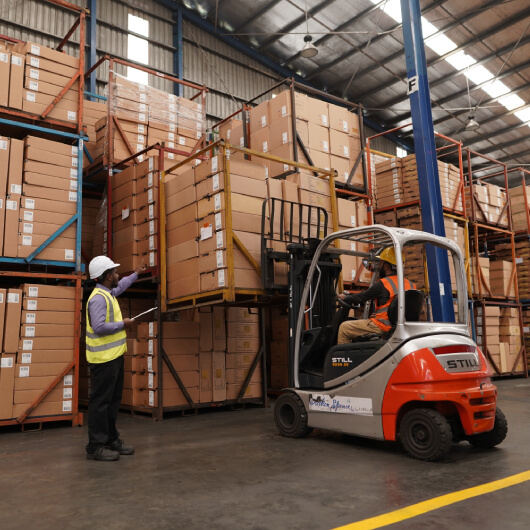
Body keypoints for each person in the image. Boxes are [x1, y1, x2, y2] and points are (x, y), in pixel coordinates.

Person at [85, 256, 147, 461]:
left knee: (112, 402)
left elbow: (122, 287)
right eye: (115, 272)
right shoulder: (97, 299)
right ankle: (95, 445)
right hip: (103, 360)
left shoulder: (109, 293)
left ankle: (111, 438)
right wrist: (124, 324)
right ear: (108, 276)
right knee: (100, 404)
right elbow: (99, 327)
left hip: (114, 357)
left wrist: (136, 273)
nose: (118, 275)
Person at [337, 248, 416, 344]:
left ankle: (344, 358)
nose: (379, 266)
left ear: (386, 266)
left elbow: (362, 296)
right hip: (402, 326)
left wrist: (345, 298)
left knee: (344, 328)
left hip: (384, 326)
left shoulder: (383, 283)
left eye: (381, 263)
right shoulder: (411, 285)